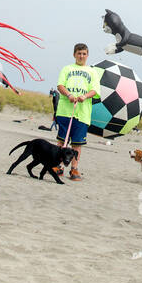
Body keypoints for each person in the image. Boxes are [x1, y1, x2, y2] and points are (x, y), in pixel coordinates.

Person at [53, 44, 102, 181]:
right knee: (62, 141)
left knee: (77, 144)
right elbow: (60, 85)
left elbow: (95, 90)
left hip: (82, 113)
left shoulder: (92, 72)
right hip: (65, 111)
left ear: (87, 55)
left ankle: (74, 168)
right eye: (79, 53)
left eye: (84, 53)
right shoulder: (67, 69)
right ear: (74, 54)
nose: (81, 56)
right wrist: (69, 95)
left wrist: (85, 96)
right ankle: (59, 166)